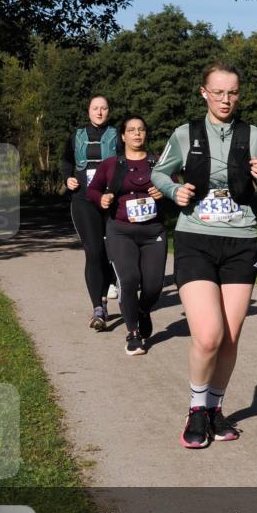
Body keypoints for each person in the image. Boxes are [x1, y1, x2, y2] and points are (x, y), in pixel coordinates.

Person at [151, 61, 257, 448]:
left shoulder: (253, 135)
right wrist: (175, 192)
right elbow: (160, 173)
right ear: (203, 92)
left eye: (233, 92)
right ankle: (195, 408)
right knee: (208, 335)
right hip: (196, 238)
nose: (226, 99)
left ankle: (215, 408)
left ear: (239, 94)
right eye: (218, 92)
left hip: (241, 241)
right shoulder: (184, 133)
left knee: (229, 338)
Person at [87, 115, 167, 355]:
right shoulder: (111, 164)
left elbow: (175, 187)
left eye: (141, 129)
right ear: (123, 136)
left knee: (153, 286)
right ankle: (133, 334)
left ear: (146, 134)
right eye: (131, 130)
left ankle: (142, 310)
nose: (137, 134)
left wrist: (164, 191)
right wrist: (101, 198)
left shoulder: (159, 163)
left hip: (153, 232)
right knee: (129, 280)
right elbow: (92, 189)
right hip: (121, 231)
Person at [62, 96, 118, 330]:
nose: (99, 111)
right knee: (94, 251)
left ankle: (112, 285)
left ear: (108, 111)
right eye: (95, 108)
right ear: (88, 111)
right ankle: (98, 308)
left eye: (104, 108)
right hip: (84, 200)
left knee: (111, 251)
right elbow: (65, 160)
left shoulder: (118, 135)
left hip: (111, 199)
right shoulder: (77, 136)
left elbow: (129, 161)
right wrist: (68, 178)